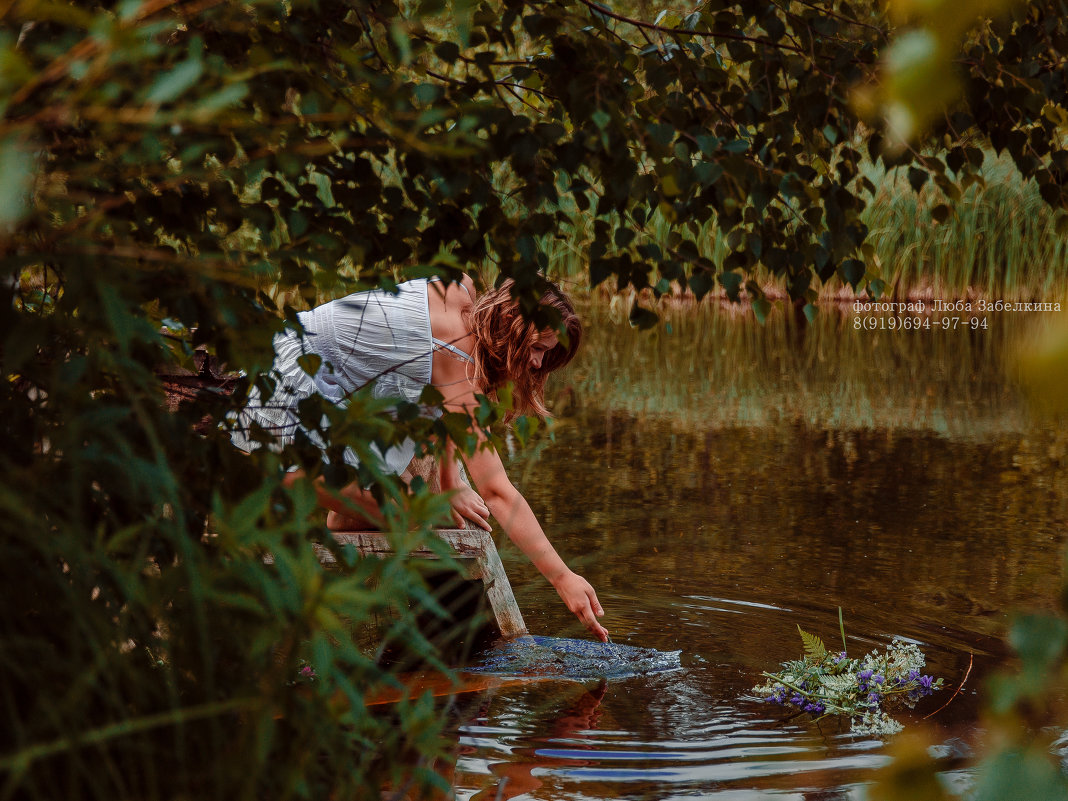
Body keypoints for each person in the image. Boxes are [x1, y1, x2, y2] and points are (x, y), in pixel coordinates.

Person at [230, 274, 609, 642]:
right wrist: (563, 578)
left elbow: (444, 399)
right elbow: (496, 491)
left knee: (420, 507)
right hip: (285, 383)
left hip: (333, 383)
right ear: (511, 321)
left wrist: (450, 479)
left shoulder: (462, 291)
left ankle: (345, 501)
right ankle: (290, 475)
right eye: (538, 349)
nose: (539, 365)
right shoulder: (455, 355)